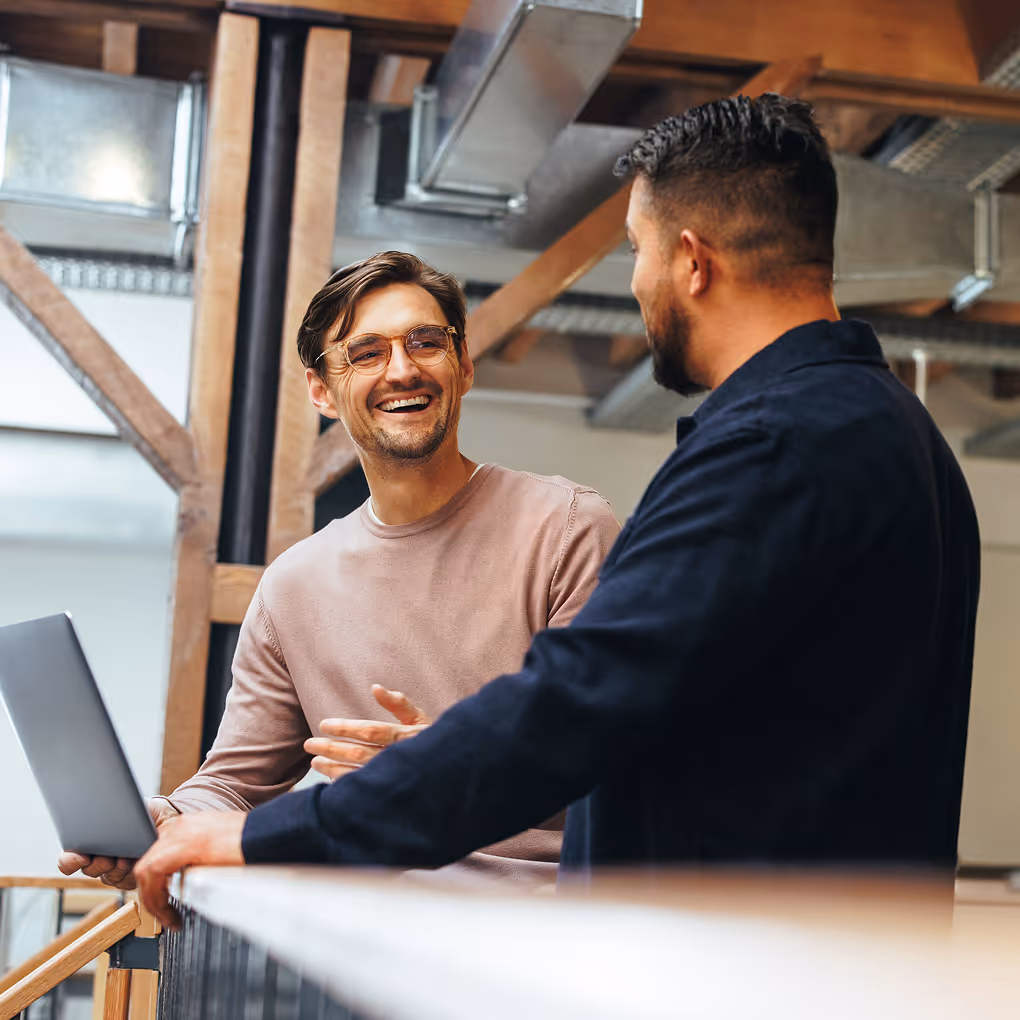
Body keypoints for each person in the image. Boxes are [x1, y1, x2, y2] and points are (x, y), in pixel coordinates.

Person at [135, 94, 981, 927]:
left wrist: (283, 832)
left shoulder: (768, 449)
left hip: (755, 971)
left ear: (692, 261)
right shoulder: (900, 436)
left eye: (638, 250)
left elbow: (572, 711)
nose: (639, 281)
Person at [59, 252, 619, 888]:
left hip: (538, 937)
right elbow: (235, 787)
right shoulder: (294, 584)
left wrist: (450, 765)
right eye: (366, 353)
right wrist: (168, 818)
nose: (402, 369)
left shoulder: (569, 528)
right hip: (353, 941)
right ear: (321, 389)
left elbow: (611, 750)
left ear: (462, 365)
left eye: (425, 342)